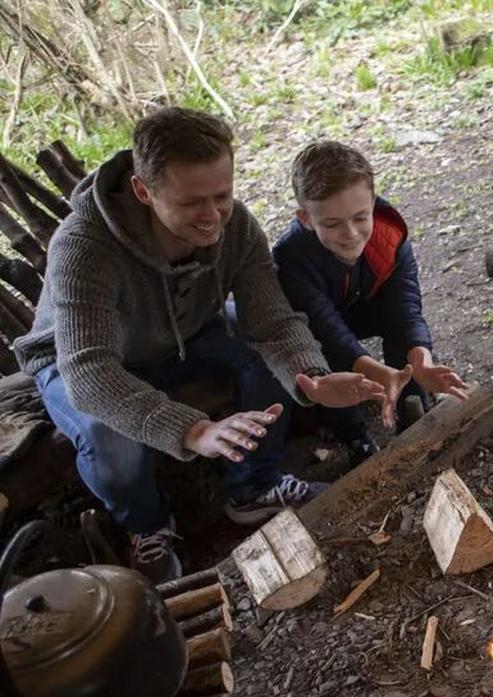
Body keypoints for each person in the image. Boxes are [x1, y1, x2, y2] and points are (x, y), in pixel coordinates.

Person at [13, 108, 386, 582]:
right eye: (192, 203)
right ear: (143, 191)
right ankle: (148, 527)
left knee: (267, 357)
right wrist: (192, 430)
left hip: (186, 336)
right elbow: (89, 375)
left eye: (223, 196)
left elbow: (271, 322)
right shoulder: (84, 246)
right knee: (111, 445)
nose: (212, 217)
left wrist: (310, 377)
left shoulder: (237, 228)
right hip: (79, 360)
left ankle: (252, 487)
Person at [273, 141, 467, 464]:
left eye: (360, 217)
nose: (350, 233)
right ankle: (354, 435)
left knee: (401, 333)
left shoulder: (389, 234)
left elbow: (405, 306)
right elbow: (326, 330)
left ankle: (411, 400)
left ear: (373, 204)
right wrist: (373, 370)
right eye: (332, 224)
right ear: (306, 219)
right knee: (327, 360)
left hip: (363, 305)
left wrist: (421, 360)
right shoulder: (289, 259)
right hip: (322, 326)